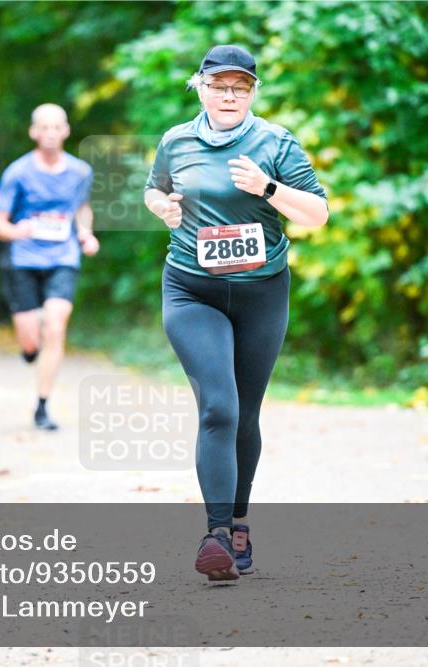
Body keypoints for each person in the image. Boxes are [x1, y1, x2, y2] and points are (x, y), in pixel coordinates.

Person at [143, 45, 329, 582]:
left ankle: (240, 521)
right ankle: (217, 534)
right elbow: (155, 191)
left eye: (240, 87)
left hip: (261, 292)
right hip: (191, 290)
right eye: (219, 85)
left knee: (246, 412)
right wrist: (161, 207)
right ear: (199, 86)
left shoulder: (275, 142)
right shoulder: (176, 140)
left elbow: (317, 214)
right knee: (219, 407)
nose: (229, 96)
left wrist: (268, 189)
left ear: (252, 92)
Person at [0, 103, 100, 431]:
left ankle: (42, 405)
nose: (50, 134)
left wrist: (85, 234)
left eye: (56, 128)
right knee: (30, 340)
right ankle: (28, 347)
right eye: (44, 128)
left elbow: (82, 209)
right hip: (22, 260)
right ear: (34, 132)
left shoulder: (80, 171)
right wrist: (16, 231)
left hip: (63, 258)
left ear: (65, 131)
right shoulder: (18, 173)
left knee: (55, 325)